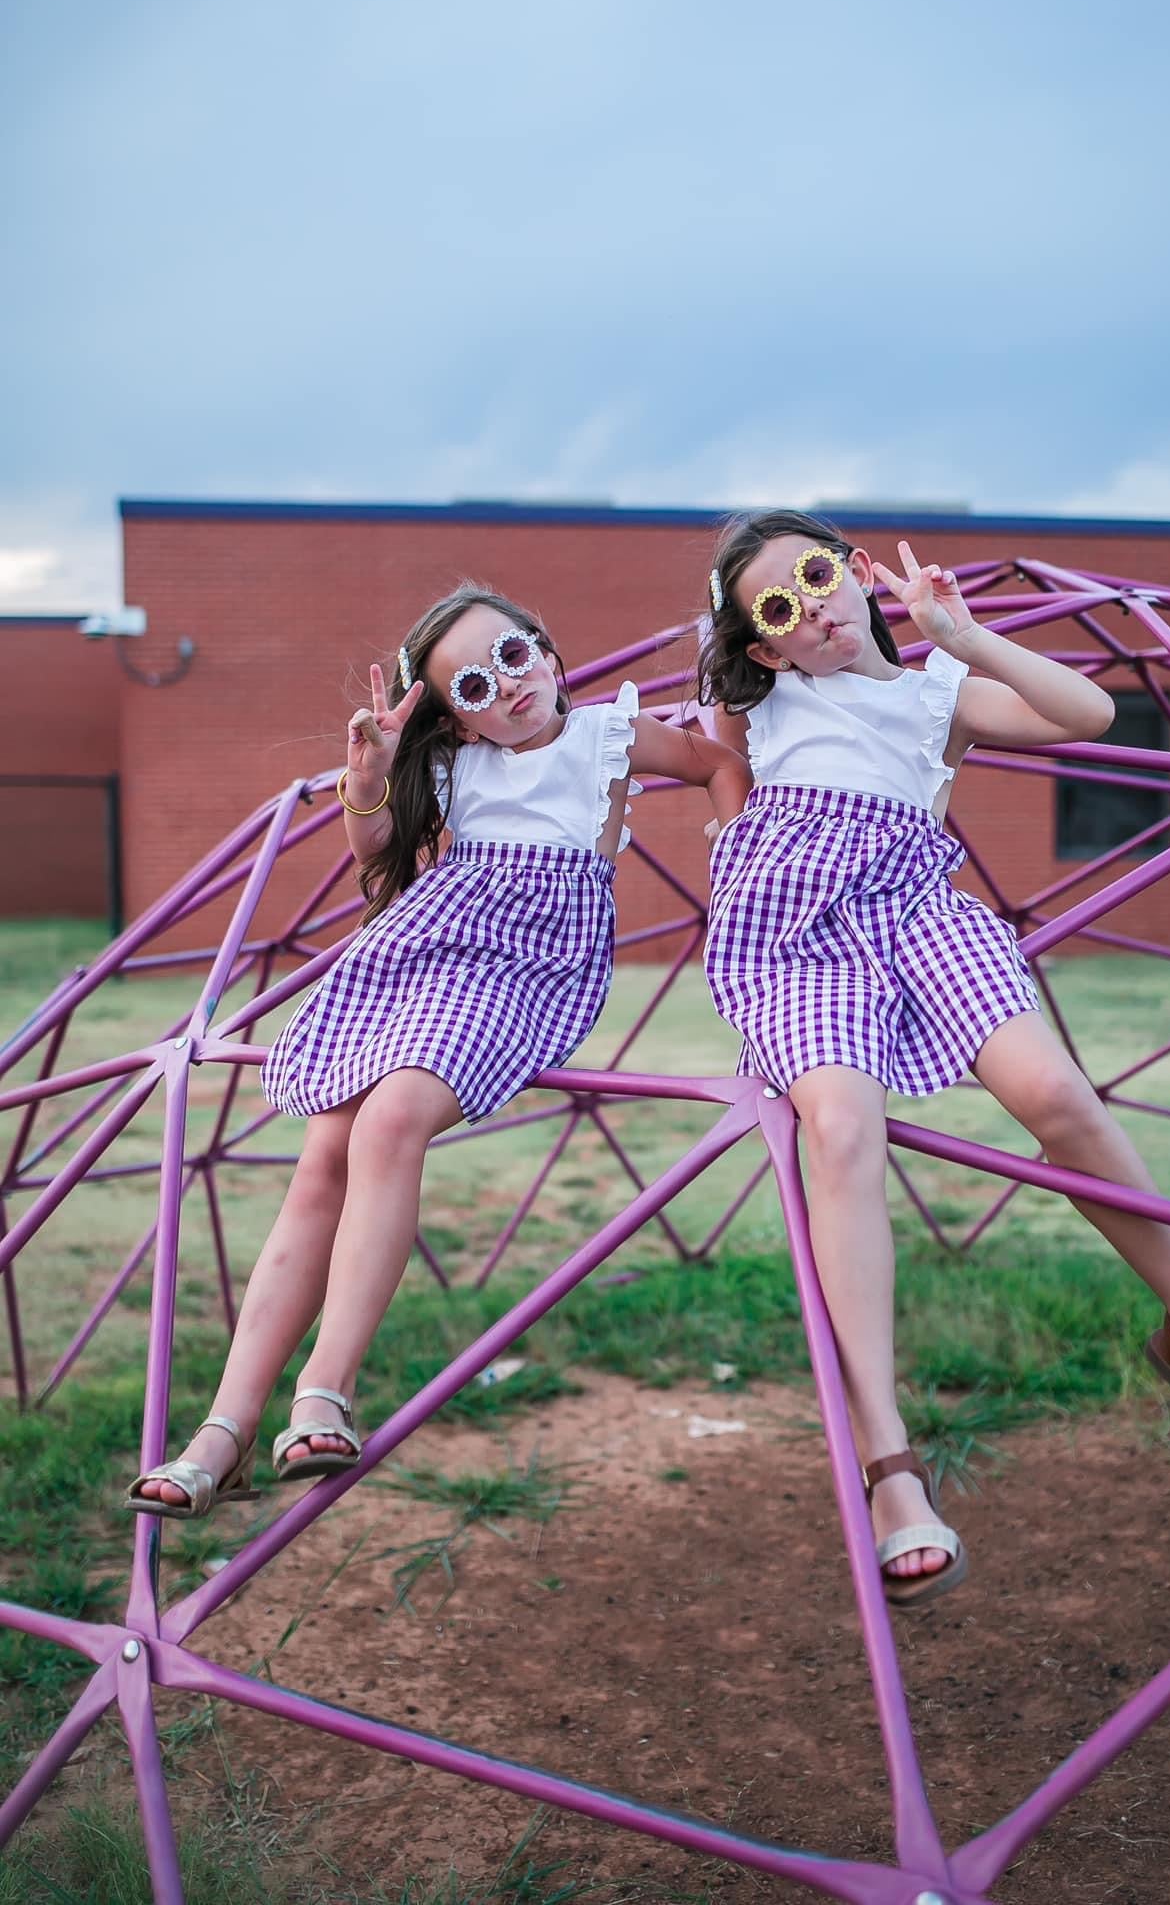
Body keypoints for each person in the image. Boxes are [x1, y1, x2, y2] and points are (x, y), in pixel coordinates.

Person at [698, 511, 1170, 1608]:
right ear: (765, 644)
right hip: (798, 939)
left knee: (1057, 1095)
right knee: (839, 1125)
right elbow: (695, 775)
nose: (811, 607)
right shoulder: (757, 704)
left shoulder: (937, 693)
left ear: (858, 572)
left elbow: (1085, 711)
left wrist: (958, 633)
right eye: (776, 609)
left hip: (921, 913)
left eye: (818, 576)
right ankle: (889, 1460)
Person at [129, 583, 751, 1518]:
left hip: (528, 965)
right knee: (323, 1158)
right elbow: (376, 850)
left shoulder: (605, 739)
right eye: (470, 684)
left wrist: (736, 843)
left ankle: (325, 1389)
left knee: (390, 1123)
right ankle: (225, 1430)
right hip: (421, 954)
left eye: (511, 657)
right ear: (451, 715)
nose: (504, 687)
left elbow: (713, 762)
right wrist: (370, 778)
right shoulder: (458, 766)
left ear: (544, 649)